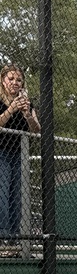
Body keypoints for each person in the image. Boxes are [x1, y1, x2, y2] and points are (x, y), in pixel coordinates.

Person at [0, 65, 40, 252]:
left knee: (17, 197)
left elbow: (36, 129)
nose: (15, 83)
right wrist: (11, 109)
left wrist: (25, 114)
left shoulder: (26, 103)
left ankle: (14, 240)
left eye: (18, 80)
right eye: (11, 79)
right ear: (2, 80)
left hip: (19, 154)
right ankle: (3, 237)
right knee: (2, 196)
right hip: (1, 153)